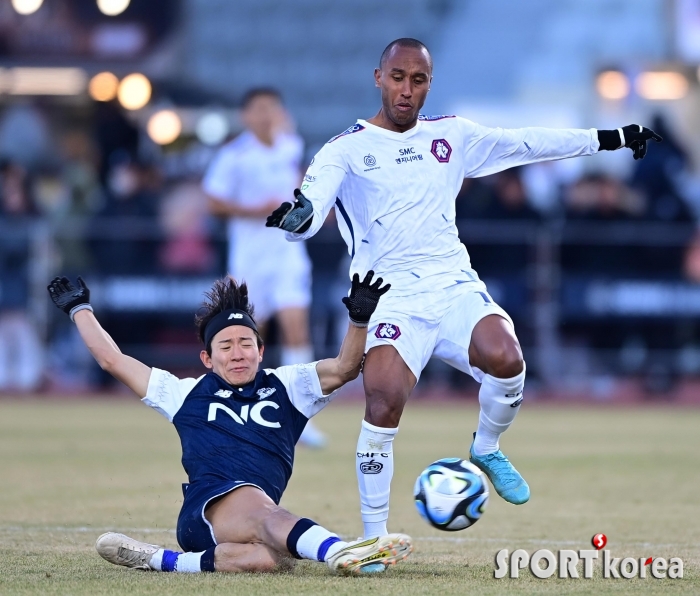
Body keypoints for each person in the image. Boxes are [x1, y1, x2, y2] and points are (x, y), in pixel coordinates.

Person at [265, 38, 662, 539]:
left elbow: (527, 143)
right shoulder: (345, 148)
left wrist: (610, 138)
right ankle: (372, 539)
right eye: (398, 77)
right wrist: (295, 220)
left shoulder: (451, 136)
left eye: (418, 79)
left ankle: (487, 449)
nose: (407, 90)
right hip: (389, 297)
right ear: (378, 78)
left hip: (452, 284)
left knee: (508, 357)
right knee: (382, 400)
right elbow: (308, 210)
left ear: (430, 83)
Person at [46, 272, 413, 574]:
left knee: (269, 561)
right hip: (206, 512)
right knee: (267, 515)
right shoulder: (184, 393)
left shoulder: (288, 385)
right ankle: (341, 552)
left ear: (261, 350)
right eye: (225, 346)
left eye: (245, 343)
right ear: (207, 358)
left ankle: (162, 560)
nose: (237, 353)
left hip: (248, 522)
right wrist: (80, 308)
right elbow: (113, 360)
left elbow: (346, 367)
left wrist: (359, 319)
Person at [203, 88, 325, 448]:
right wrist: (256, 210)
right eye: (258, 109)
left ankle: (302, 418)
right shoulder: (234, 155)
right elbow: (213, 201)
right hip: (250, 259)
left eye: (272, 108)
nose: (266, 114)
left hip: (287, 254)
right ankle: (239, 411)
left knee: (297, 329)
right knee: (250, 336)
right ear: (245, 115)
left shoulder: (289, 143)